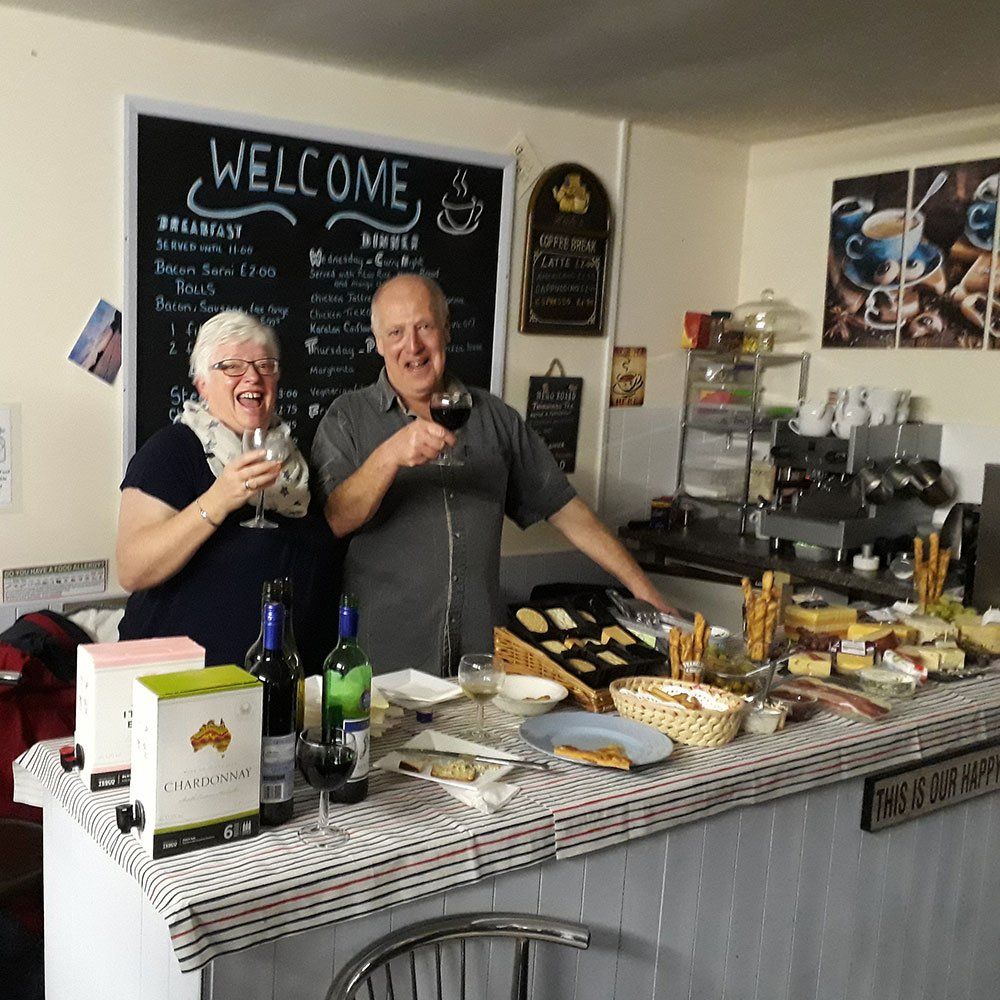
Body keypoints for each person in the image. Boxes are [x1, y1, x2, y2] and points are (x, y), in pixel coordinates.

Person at [312, 273, 675, 675]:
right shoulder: (346, 418)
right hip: (383, 664)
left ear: (446, 331)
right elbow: (336, 519)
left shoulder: (494, 419)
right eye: (396, 332)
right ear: (378, 343)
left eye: (424, 327)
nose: (412, 346)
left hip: (479, 663)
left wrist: (648, 597)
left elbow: (567, 512)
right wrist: (390, 456)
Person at [116, 311, 341, 668]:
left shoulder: (293, 464)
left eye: (265, 365)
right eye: (232, 366)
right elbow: (132, 569)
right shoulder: (172, 451)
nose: (252, 376)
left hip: (282, 681)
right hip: (184, 684)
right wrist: (217, 501)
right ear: (202, 384)